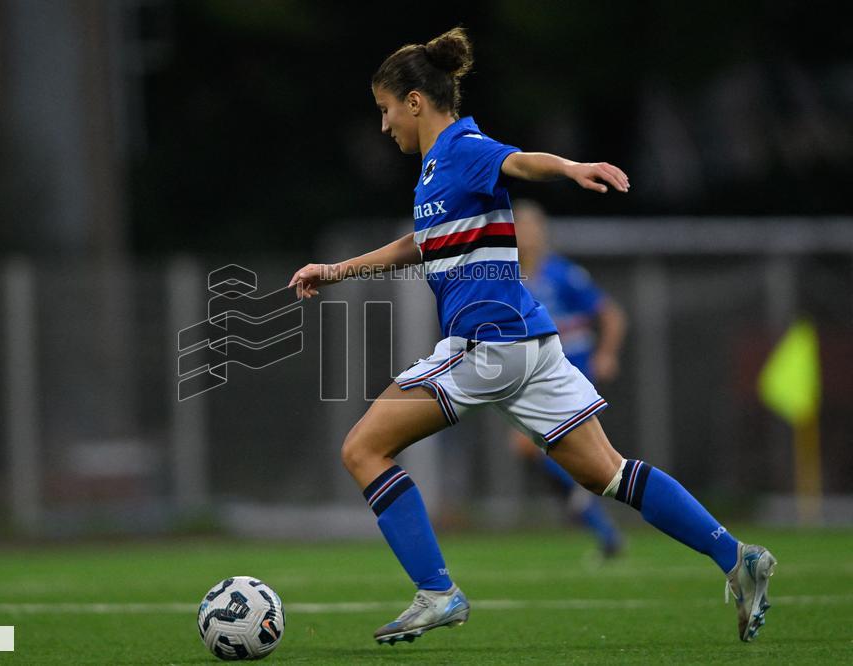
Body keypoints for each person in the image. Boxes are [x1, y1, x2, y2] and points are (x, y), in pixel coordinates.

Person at [288, 27, 775, 646]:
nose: (384, 126)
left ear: (415, 100)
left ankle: (437, 592)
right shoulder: (435, 174)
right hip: (532, 347)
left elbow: (516, 162)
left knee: (361, 450)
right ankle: (738, 559)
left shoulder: (462, 145)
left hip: (486, 346)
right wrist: (337, 271)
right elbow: (418, 245)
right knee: (609, 474)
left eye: (385, 110)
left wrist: (570, 167)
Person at [511, 200, 627, 558]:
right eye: (519, 227)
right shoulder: (508, 278)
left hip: (570, 375)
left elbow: (612, 315)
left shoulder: (562, 274)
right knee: (547, 453)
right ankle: (596, 520)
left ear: (542, 232)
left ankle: (597, 519)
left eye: (531, 227)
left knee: (534, 447)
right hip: (532, 378)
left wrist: (606, 354)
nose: (525, 234)